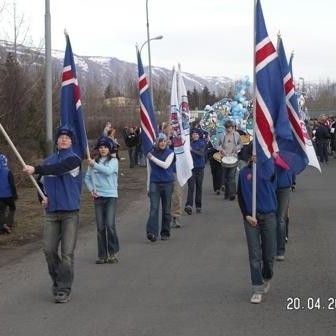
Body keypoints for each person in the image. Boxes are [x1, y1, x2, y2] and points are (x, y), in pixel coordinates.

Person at [22, 126, 82, 304]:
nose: (64, 140)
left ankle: (63, 289)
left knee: (67, 253)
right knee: (49, 251)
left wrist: (37, 168)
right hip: (51, 213)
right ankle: (58, 281)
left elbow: (59, 169)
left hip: (70, 212)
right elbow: (40, 183)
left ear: (71, 141)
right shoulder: (48, 161)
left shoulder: (74, 160)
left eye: (67, 138)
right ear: (56, 141)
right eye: (61, 137)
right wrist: (42, 197)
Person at [237, 153, 277, 304]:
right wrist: (247, 215)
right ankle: (256, 288)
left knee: (269, 254)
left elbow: (273, 177)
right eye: (252, 154)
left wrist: (263, 164)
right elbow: (240, 196)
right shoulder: (243, 173)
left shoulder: (268, 169)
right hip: (251, 218)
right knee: (254, 255)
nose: (255, 156)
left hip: (269, 215)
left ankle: (267, 275)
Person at [85, 136, 120, 264]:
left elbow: (108, 172)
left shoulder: (114, 161)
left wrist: (94, 164)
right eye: (100, 147)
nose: (103, 149)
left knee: (110, 225)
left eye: (105, 147)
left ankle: (113, 252)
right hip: (98, 197)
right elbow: (87, 178)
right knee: (100, 228)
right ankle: (102, 255)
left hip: (111, 196)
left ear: (109, 148)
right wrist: (91, 190)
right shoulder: (94, 162)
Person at [146, 133, 174, 242]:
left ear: (167, 142)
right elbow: (149, 172)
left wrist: (152, 158)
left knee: (166, 210)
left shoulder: (170, 153)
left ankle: (165, 232)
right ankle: (152, 232)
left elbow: (165, 165)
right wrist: (148, 187)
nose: (162, 143)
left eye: (164, 141)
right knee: (154, 209)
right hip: (155, 183)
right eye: (160, 141)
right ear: (157, 142)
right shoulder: (151, 153)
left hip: (167, 183)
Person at [216, 120, 242, 200]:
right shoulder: (222, 135)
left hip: (233, 157)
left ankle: (232, 194)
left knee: (231, 176)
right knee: (226, 177)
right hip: (224, 158)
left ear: (233, 128)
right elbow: (217, 145)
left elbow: (241, 144)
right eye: (227, 128)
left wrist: (236, 148)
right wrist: (221, 150)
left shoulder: (236, 135)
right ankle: (227, 193)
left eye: (230, 128)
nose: (228, 129)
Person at [184, 128, 206, 215]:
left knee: (199, 187)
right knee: (191, 187)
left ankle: (198, 205)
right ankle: (189, 205)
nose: (195, 135)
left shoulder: (202, 143)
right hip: (191, 168)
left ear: (199, 135)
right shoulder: (189, 143)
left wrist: (191, 150)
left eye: (196, 134)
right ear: (191, 136)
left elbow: (201, 153)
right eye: (193, 134)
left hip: (200, 168)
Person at [275, 165, 293, 261]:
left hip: (284, 184)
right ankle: (268, 248)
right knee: (269, 217)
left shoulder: (288, 150)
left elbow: (292, 163)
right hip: (268, 182)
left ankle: (280, 251)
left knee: (281, 219)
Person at [0, 154, 17, 234]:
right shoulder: (8, 171)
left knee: (1, 211)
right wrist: (15, 195)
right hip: (8, 195)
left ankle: (2, 227)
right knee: (12, 208)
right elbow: (12, 185)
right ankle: (8, 224)